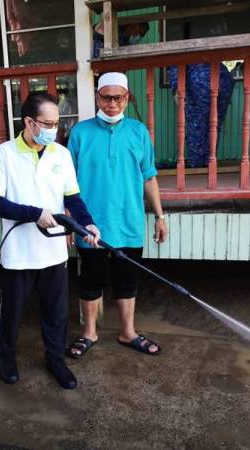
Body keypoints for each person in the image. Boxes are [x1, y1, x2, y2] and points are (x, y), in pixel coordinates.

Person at [0, 92, 100, 390]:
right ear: (28, 122)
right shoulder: (5, 154)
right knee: (12, 312)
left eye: (57, 123)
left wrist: (87, 223)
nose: (54, 129)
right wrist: (34, 214)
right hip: (18, 254)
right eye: (47, 123)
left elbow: (72, 197)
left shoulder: (59, 154)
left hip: (53, 252)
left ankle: (55, 359)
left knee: (56, 313)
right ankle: (6, 358)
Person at [67, 72, 168, 360]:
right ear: (97, 97)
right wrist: (69, 223)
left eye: (118, 97)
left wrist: (160, 216)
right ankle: (89, 333)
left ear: (127, 98)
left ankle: (128, 332)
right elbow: (67, 182)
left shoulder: (138, 132)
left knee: (127, 279)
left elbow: (149, 177)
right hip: (91, 224)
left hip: (129, 221)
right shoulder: (80, 133)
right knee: (90, 279)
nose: (112, 103)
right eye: (106, 97)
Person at [167, 63, 234, 168]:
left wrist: (176, 89)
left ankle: (197, 167)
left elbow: (176, 63)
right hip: (224, 78)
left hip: (200, 79)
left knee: (196, 127)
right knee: (214, 126)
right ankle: (209, 165)